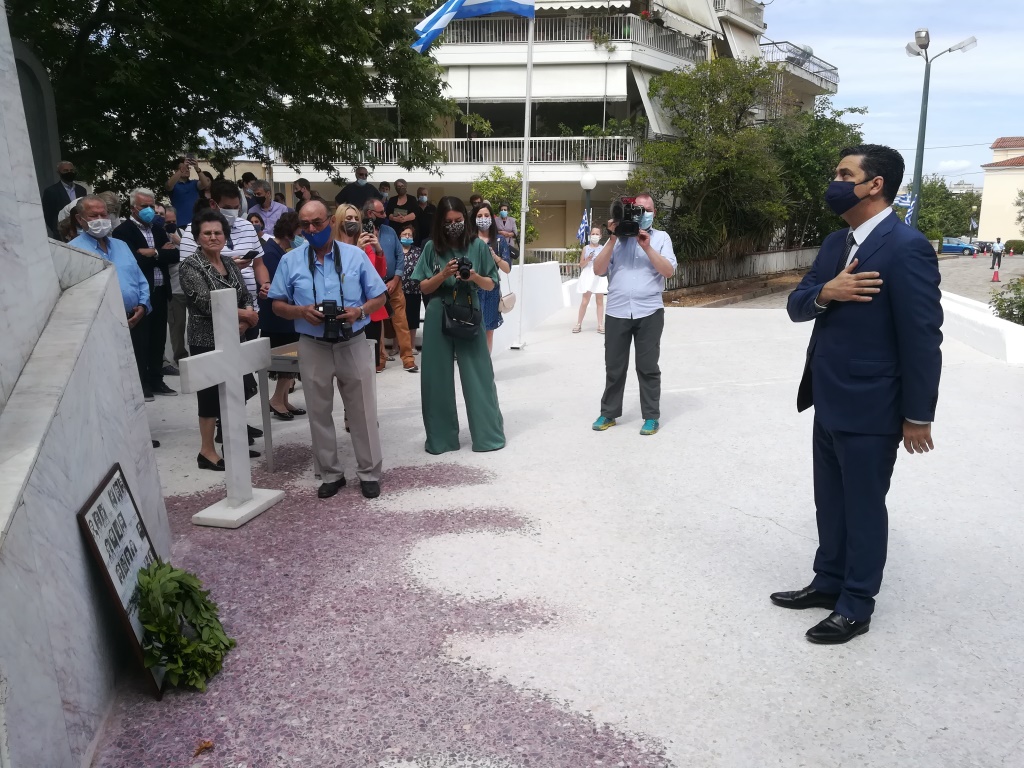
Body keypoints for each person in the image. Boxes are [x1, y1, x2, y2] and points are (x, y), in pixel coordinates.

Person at [773, 144, 943, 645]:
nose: (835, 181)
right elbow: (796, 304)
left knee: (864, 507)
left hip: (873, 405)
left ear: (875, 185)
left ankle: (856, 604)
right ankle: (827, 582)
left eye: (844, 174)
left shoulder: (906, 247)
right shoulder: (835, 244)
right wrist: (827, 293)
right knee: (830, 502)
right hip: (827, 398)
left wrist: (918, 415)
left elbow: (922, 337)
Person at [269, 200, 388, 499]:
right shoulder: (290, 260)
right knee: (318, 413)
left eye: (318, 223)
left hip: (353, 342)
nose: (312, 229)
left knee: (362, 411)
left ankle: (369, 473)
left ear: (331, 222)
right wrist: (300, 311)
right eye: (305, 225)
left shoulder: (355, 255)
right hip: (312, 345)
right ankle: (330, 474)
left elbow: (380, 297)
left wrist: (360, 311)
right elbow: (277, 305)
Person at [411, 196, 505, 454]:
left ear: (466, 219)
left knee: (479, 375)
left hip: (470, 309)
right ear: (440, 222)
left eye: (458, 220)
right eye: (448, 221)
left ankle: (488, 437)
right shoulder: (431, 248)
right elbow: (423, 286)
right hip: (437, 312)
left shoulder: (478, 246)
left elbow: (491, 284)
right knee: (436, 378)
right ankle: (441, 439)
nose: (454, 225)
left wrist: (473, 276)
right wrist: (443, 274)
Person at [178, 209, 260, 471]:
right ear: (197, 237)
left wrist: (245, 320)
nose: (213, 237)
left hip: (236, 336)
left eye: (218, 232)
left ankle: (233, 442)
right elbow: (205, 302)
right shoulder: (190, 265)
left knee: (237, 389)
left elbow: (245, 295)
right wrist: (245, 315)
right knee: (210, 396)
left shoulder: (230, 262)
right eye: (207, 233)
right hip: (206, 339)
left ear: (225, 236)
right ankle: (207, 451)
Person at [591, 192, 677, 436]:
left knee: (648, 367)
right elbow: (598, 270)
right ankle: (609, 413)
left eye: (647, 210)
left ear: (654, 213)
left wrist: (647, 247)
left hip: (649, 311)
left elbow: (668, 271)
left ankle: (651, 416)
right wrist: (612, 237)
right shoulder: (617, 239)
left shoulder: (661, 238)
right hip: (617, 311)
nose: (642, 214)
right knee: (614, 366)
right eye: (637, 209)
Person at [69, 197, 152, 398]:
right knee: (108, 381)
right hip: (100, 326)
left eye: (103, 214)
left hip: (133, 321)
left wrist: (143, 305)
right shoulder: (72, 251)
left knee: (136, 375)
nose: (100, 219)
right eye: (93, 215)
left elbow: (140, 279)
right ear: (80, 219)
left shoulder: (121, 245)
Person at [112, 188, 180, 398]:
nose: (149, 210)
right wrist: (160, 253)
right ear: (133, 207)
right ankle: (142, 384)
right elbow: (133, 261)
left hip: (161, 291)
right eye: (144, 206)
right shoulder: (123, 232)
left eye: (152, 206)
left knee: (159, 339)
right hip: (140, 295)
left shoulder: (158, 230)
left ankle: (157, 380)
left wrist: (154, 252)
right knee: (142, 341)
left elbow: (174, 255)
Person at [178, 180, 271, 325]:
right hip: (212, 318)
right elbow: (190, 276)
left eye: (236, 208)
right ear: (213, 204)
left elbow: (259, 264)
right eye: (227, 208)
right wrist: (228, 268)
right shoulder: (194, 231)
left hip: (249, 311)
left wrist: (265, 284)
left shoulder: (247, 227)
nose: (233, 212)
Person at [259, 211, 305, 421]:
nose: (301, 236)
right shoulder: (271, 253)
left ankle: (284, 399)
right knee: (287, 361)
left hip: (285, 316)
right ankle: (277, 399)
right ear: (289, 232)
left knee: (292, 359)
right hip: (277, 318)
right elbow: (277, 286)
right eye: (299, 232)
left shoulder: (280, 250)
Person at [334, 204, 390, 372]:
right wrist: (356, 251)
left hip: (368, 309)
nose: (353, 221)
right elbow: (341, 276)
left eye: (356, 218)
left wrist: (378, 250)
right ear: (339, 220)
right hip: (344, 310)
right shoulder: (332, 247)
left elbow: (379, 274)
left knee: (368, 364)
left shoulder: (366, 246)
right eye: (349, 218)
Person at [364, 198, 417, 372]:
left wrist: (396, 278)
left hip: (394, 284)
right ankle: (380, 359)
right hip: (372, 288)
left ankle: (408, 358)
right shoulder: (360, 234)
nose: (385, 215)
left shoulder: (390, 231)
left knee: (401, 321)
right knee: (377, 324)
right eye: (381, 213)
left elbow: (399, 256)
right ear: (370, 213)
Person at [470, 202, 512, 352]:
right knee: (472, 329)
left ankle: (486, 363)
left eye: (486, 215)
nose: (483, 218)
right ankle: (474, 362)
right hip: (472, 289)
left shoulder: (499, 241)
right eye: (479, 215)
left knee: (488, 330)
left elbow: (507, 269)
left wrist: (495, 256)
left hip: (491, 290)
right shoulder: (469, 241)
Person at [163, 206, 189, 371]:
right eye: (168, 222)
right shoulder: (159, 236)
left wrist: (181, 243)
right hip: (174, 289)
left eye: (173, 221)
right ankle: (180, 358)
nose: (171, 225)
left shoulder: (183, 234)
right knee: (177, 325)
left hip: (190, 287)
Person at [574, 226, 608, 334]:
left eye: (597, 234)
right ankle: (578, 324)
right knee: (585, 301)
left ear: (600, 236)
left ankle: (600, 325)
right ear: (590, 235)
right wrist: (587, 259)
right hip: (588, 274)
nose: (595, 236)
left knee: (599, 301)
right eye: (593, 234)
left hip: (598, 274)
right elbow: (581, 264)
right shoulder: (586, 248)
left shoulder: (603, 248)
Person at [42, 160, 87, 238]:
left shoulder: (81, 190)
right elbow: (48, 215)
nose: (69, 172)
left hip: (81, 230)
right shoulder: (51, 191)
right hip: (62, 232)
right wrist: (57, 229)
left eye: (71, 170)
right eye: (65, 171)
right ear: (59, 172)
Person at [165, 157, 211, 228]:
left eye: (188, 168)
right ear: (176, 171)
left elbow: (206, 184)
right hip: (180, 224)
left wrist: (197, 168)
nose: (186, 170)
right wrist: (181, 170)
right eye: (183, 168)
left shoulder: (194, 183)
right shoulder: (174, 185)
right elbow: (169, 185)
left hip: (197, 223)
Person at [399, 224, 424, 349]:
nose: (407, 237)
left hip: (414, 290)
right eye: (405, 234)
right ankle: (396, 346)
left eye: (410, 235)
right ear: (400, 235)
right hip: (398, 290)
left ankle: (412, 346)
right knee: (398, 319)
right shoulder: (396, 250)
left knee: (412, 320)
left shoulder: (418, 251)